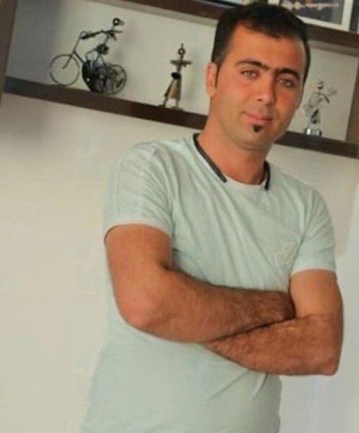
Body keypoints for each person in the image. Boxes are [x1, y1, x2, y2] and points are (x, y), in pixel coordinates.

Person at [82, 4, 343, 432]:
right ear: (212, 79)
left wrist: (188, 315)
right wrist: (274, 308)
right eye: (250, 72)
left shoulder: (306, 206)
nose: (266, 94)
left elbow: (321, 348)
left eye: (286, 80)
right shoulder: (152, 168)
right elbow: (147, 304)